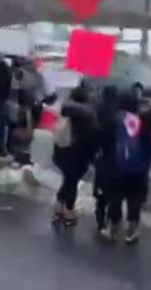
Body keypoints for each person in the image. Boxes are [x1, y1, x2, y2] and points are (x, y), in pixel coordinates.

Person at [102, 91, 151, 244]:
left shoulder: (113, 121)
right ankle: (131, 231)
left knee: (115, 197)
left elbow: (104, 143)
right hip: (138, 169)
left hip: (116, 167)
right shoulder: (143, 122)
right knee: (135, 198)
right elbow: (149, 145)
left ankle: (112, 230)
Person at [52, 85, 98, 226]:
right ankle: (69, 214)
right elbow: (91, 138)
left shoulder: (65, 109)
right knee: (71, 182)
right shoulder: (88, 115)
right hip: (77, 154)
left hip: (61, 151)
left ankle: (59, 207)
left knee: (68, 180)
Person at [93, 85, 120, 233]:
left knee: (101, 194)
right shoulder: (118, 114)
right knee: (114, 194)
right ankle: (111, 222)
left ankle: (100, 223)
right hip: (116, 158)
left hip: (103, 157)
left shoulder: (99, 107)